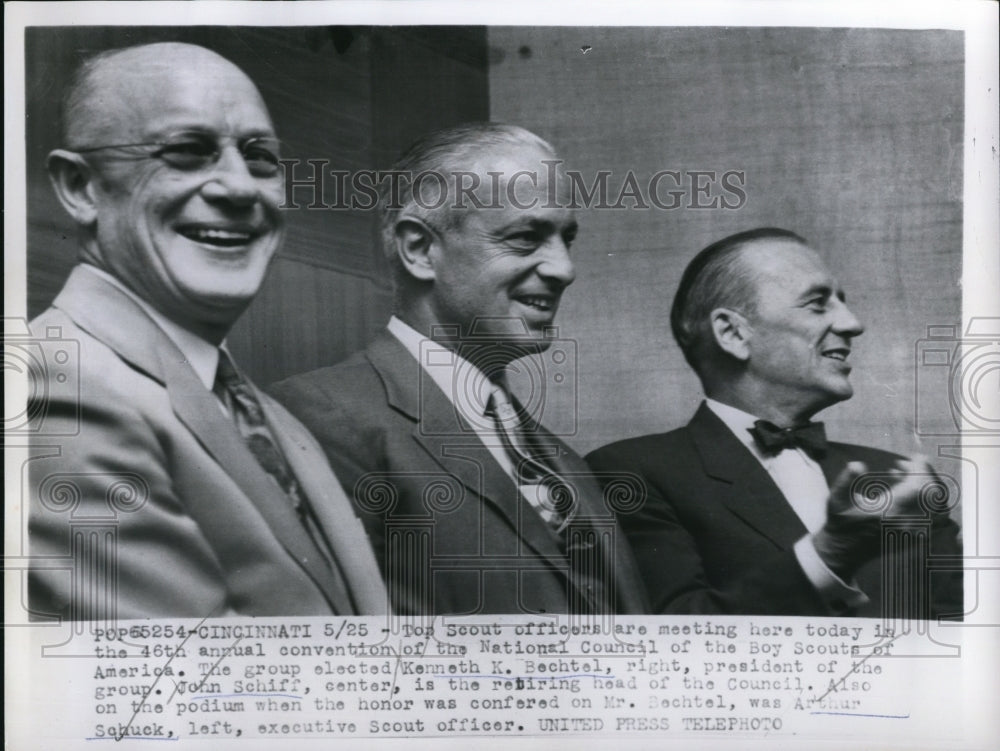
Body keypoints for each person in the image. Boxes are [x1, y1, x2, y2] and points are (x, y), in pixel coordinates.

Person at [27, 42, 387, 620]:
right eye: (188, 152)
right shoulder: (53, 390)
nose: (240, 188)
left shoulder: (268, 416)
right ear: (81, 186)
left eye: (260, 158)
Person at [270, 123, 648, 616]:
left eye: (566, 238)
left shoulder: (562, 457)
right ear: (420, 250)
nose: (564, 268)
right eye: (525, 237)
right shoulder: (317, 420)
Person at [586, 228, 963, 618]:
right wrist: (831, 552)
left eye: (843, 303)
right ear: (732, 333)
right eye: (818, 304)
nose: (853, 323)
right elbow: (671, 640)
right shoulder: (631, 472)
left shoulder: (897, 479)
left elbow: (968, 642)